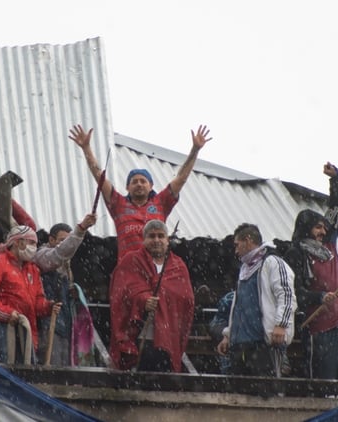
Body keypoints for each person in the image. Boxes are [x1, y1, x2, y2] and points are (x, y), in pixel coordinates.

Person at [69, 124, 211, 263]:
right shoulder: (118, 204)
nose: (139, 184)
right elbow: (99, 175)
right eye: (134, 181)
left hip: (157, 267)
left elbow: (181, 178)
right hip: (129, 269)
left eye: (143, 181)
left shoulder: (161, 202)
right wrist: (86, 148)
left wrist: (195, 149)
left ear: (151, 186)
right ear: (127, 187)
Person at [284, 162, 338, 380]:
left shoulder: (329, 246)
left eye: (324, 228)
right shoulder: (296, 253)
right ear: (306, 227)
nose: (323, 231)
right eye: (317, 227)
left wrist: (335, 180)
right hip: (316, 328)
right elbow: (295, 291)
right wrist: (319, 297)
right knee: (324, 381)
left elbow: (337, 209)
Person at [109, 219, 194, 372]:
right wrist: (142, 300)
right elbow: (121, 292)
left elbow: (186, 299)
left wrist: (165, 301)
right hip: (139, 337)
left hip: (167, 336)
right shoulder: (131, 261)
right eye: (152, 236)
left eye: (161, 236)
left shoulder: (178, 266)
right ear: (144, 239)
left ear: (168, 240)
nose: (156, 240)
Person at [216, 223, 296, 377]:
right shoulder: (244, 270)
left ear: (248, 240)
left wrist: (281, 325)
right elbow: (238, 306)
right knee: (238, 396)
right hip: (240, 346)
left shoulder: (273, 263)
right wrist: (228, 335)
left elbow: (286, 294)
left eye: (237, 245)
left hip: (263, 345)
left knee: (266, 393)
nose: (236, 250)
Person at [0, 225, 61, 364]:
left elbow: (38, 301)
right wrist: (7, 314)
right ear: (17, 242)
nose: (34, 247)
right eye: (31, 243)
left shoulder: (33, 269)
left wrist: (48, 307)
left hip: (28, 334)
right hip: (4, 331)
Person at [34, 215, 99, 367]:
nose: (66, 244)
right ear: (51, 240)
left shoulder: (67, 267)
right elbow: (58, 255)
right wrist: (80, 229)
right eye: (62, 240)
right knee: (51, 361)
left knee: (66, 361)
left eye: (68, 240)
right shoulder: (42, 255)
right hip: (47, 319)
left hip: (65, 320)